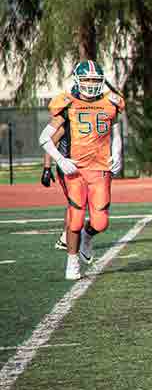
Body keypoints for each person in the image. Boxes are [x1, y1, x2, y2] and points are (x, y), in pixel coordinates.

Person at [38, 60, 125, 280]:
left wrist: (117, 153)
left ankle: (87, 236)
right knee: (75, 218)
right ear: (77, 80)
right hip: (75, 169)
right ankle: (72, 262)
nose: (90, 84)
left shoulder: (111, 102)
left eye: (95, 80)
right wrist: (58, 161)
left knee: (100, 222)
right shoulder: (67, 103)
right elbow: (45, 138)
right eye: (86, 79)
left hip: (100, 169)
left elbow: (115, 132)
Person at [40, 124, 70, 250]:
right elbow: (49, 143)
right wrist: (47, 168)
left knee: (82, 202)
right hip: (66, 167)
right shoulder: (66, 124)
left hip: (82, 167)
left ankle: (67, 236)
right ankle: (66, 237)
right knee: (75, 202)